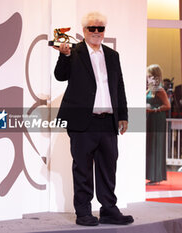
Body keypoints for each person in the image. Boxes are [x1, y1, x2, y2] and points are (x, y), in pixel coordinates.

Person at [53, 12, 133, 226]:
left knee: (108, 168)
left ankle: (108, 210)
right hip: (82, 122)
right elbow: (60, 76)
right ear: (84, 30)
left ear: (104, 31)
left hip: (108, 121)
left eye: (100, 28)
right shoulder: (74, 52)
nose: (96, 32)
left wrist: (123, 115)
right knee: (83, 169)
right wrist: (64, 56)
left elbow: (119, 86)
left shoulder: (112, 55)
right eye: (92, 28)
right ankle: (83, 212)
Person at [146, 64, 171, 185]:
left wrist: (154, 110)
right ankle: (151, 175)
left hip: (157, 119)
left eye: (150, 75)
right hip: (150, 119)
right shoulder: (150, 89)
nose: (147, 77)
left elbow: (168, 105)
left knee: (155, 146)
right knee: (150, 146)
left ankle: (156, 176)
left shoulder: (159, 89)